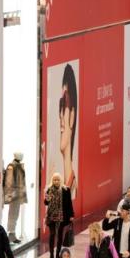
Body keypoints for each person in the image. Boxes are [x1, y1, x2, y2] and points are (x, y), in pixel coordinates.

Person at [44, 173, 74, 258]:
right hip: (51, 216)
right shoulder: (49, 189)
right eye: (54, 180)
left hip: (62, 216)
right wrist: (47, 198)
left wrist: (71, 215)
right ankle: (51, 255)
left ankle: (57, 254)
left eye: (57, 179)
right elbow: (46, 203)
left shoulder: (66, 190)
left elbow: (69, 203)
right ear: (52, 180)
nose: (56, 181)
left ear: (60, 180)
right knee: (52, 234)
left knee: (60, 235)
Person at [59, 64, 78, 196]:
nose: (60, 118)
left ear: (72, 116)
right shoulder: (57, 180)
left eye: (63, 106)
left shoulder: (70, 187)